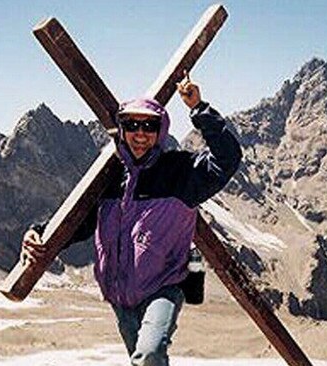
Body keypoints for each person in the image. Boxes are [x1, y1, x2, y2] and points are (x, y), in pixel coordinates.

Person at [21, 73, 242, 366]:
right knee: (143, 362)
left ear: (160, 131)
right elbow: (79, 223)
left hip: (164, 287)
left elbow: (227, 159)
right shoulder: (109, 178)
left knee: (148, 355)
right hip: (119, 296)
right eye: (132, 125)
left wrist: (198, 108)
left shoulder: (180, 172)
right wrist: (38, 232)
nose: (140, 134)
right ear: (121, 130)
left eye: (149, 126)